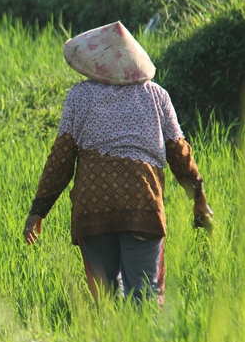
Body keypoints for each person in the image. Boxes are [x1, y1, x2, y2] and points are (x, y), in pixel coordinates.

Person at [23, 21, 212, 305]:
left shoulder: (79, 96)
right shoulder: (157, 95)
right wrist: (199, 198)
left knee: (107, 302)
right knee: (145, 296)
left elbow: (60, 159)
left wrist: (38, 210)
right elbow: (179, 153)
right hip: (142, 202)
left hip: (93, 205)